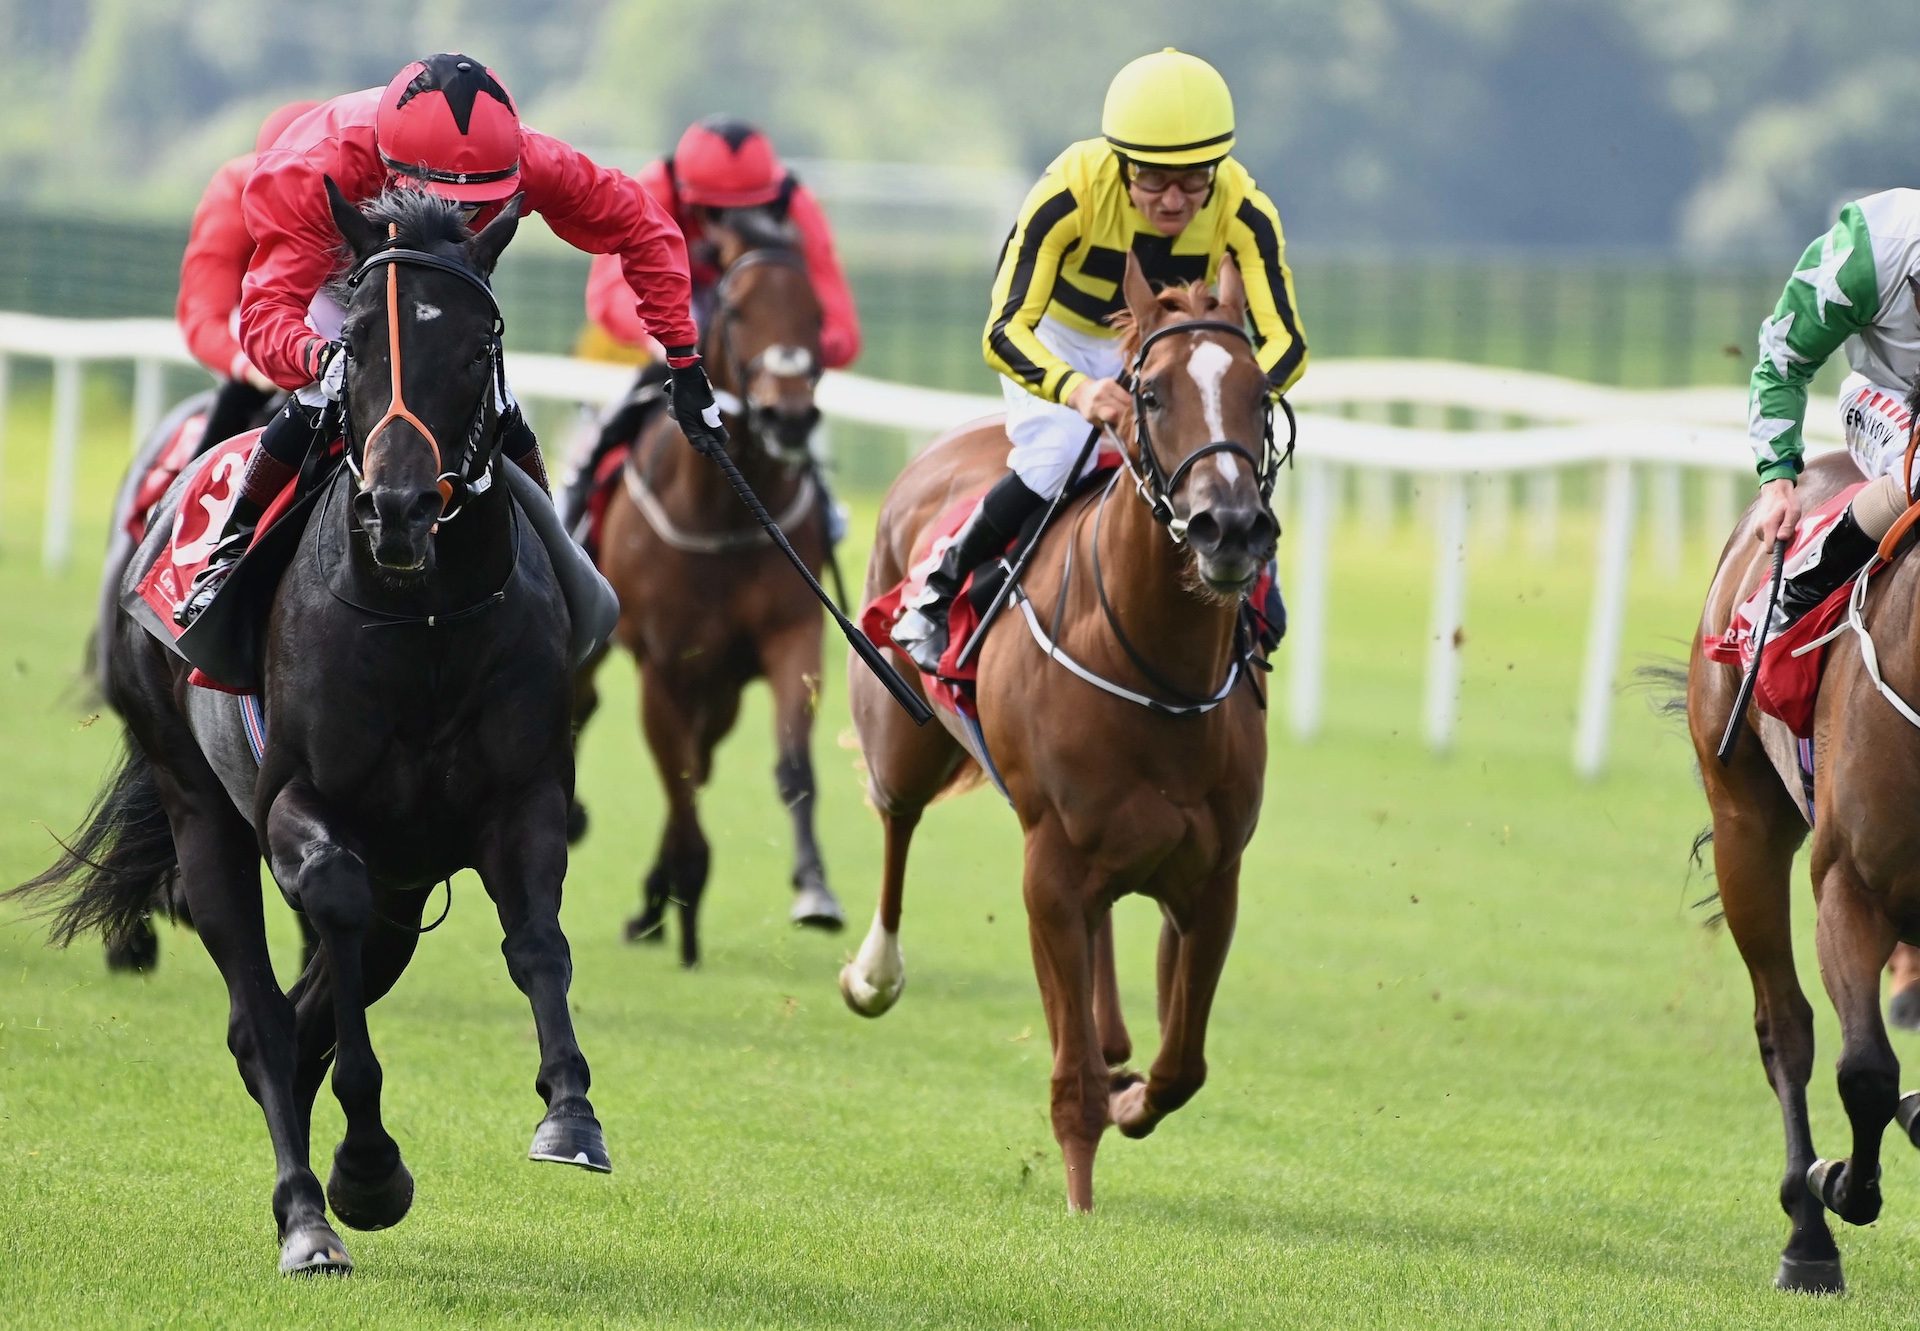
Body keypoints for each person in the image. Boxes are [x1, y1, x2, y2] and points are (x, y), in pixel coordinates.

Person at [174, 52, 724, 626]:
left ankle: (556, 567)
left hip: (445, 302)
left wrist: (684, 360)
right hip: (334, 289)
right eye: (451, 204)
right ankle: (228, 557)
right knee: (320, 396)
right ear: (395, 171)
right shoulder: (314, 168)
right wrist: (318, 356)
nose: (463, 218)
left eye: (480, 205)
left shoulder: (529, 156)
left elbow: (645, 228)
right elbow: (266, 312)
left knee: (494, 401)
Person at [892, 48, 1308, 674]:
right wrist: (1079, 391)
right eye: (1153, 180)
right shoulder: (1068, 192)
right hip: (1061, 338)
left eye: (1195, 179)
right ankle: (938, 589)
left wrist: (1232, 394)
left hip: (1173, 348)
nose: (1174, 200)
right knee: (1057, 455)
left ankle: (1255, 580)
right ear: (1121, 165)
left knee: (1224, 454)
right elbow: (1004, 330)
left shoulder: (1246, 210)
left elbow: (1287, 344)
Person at [558, 116, 861, 541]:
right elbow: (607, 296)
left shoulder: (794, 203)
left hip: (755, 341)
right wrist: (667, 340)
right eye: (716, 213)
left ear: (768, 198)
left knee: (790, 422)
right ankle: (573, 507)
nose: (729, 230)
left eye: (748, 213)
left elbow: (842, 327)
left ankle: (823, 518)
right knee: (608, 430)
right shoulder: (654, 188)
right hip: (672, 321)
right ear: (689, 198)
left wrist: (798, 347)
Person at [1743, 190, 1920, 632]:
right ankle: (1799, 591)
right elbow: (1783, 361)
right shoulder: (1872, 246)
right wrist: (1777, 481)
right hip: (1885, 394)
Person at [176, 99, 318, 450]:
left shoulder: (364, 189)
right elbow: (203, 319)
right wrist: (250, 368)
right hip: (258, 340)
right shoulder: (232, 193)